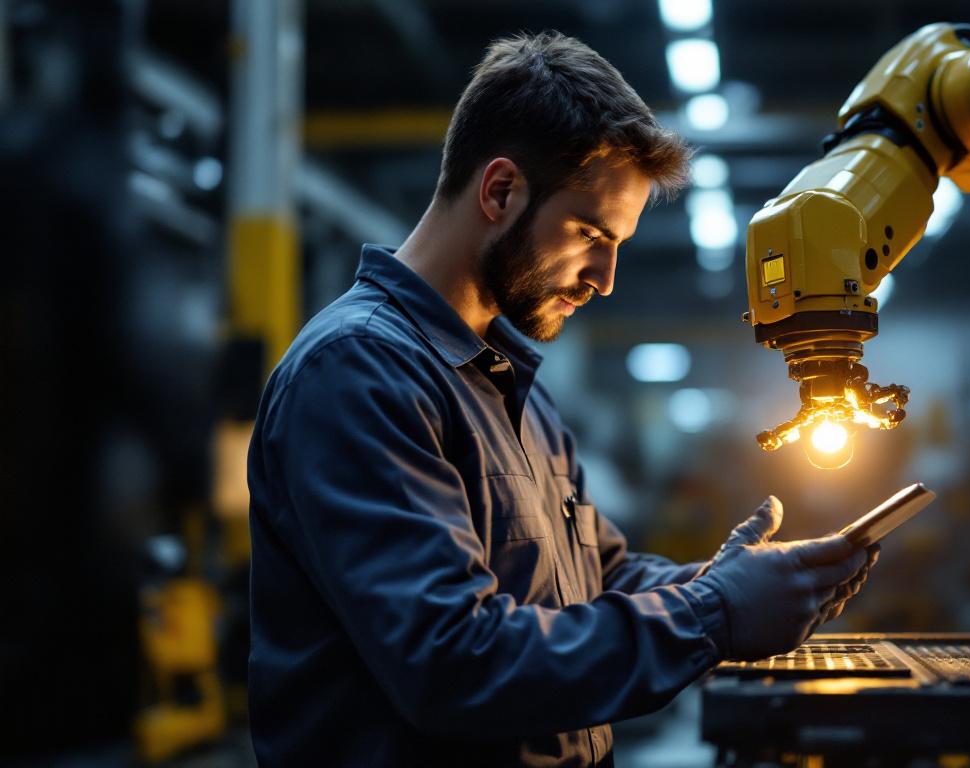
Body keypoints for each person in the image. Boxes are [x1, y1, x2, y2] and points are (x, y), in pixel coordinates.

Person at [246, 32, 878, 767]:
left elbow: (594, 580)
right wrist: (716, 613)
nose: (604, 278)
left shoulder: (516, 391)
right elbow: (454, 662)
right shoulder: (359, 373)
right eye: (589, 234)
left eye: (618, 245)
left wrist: (722, 581)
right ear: (500, 191)